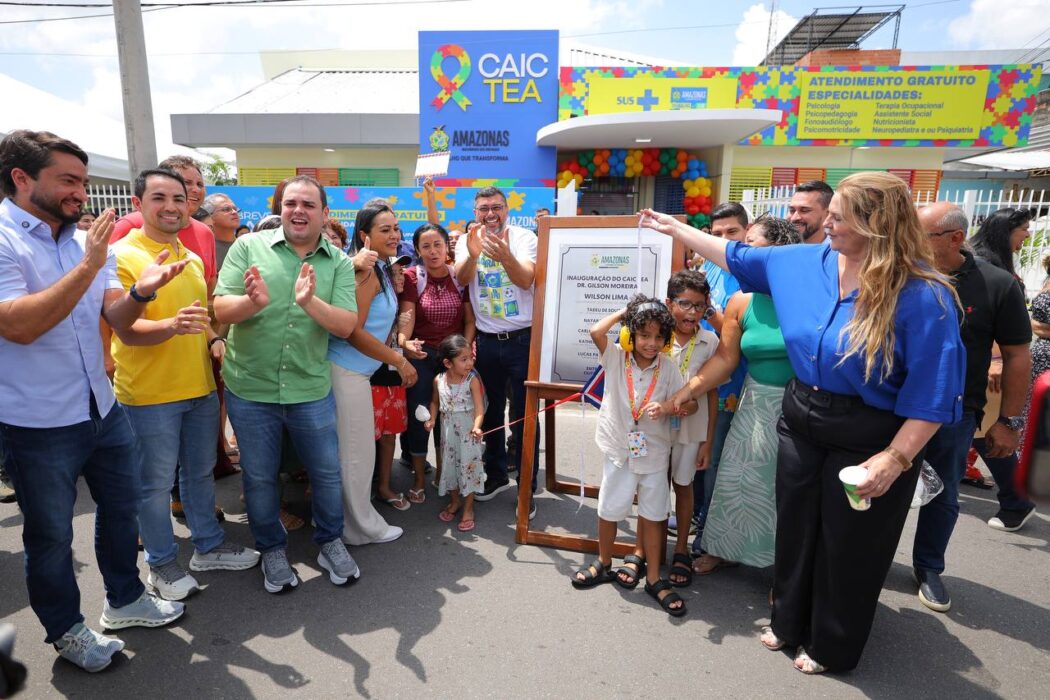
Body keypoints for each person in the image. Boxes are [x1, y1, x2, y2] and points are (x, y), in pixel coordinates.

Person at [643, 170, 965, 673]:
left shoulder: (924, 295)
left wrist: (895, 459)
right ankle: (788, 622)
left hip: (873, 433)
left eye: (838, 216)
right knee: (795, 528)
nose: (825, 224)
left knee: (850, 544)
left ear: (877, 224)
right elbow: (735, 255)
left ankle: (832, 644)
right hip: (802, 417)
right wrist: (674, 228)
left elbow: (932, 395)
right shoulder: (802, 263)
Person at [0, 130, 185, 671]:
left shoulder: (85, 241)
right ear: (21, 178)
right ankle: (66, 631)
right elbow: (21, 326)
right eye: (69, 181)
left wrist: (142, 291)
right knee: (52, 536)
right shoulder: (7, 239)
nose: (81, 192)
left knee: (122, 507)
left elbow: (117, 320)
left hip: (102, 408)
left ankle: (125, 599)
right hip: (36, 421)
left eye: (83, 181)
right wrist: (90, 265)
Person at [110, 169, 260, 600]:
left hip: (199, 388)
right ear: (138, 204)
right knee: (153, 486)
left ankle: (208, 547)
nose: (172, 205)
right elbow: (124, 328)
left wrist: (214, 340)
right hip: (149, 394)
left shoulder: (192, 258)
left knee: (198, 475)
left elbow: (203, 318)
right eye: (159, 197)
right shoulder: (120, 255)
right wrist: (171, 325)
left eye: (179, 197)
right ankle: (160, 565)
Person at [214, 174, 361, 594]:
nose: (298, 211)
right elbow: (221, 307)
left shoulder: (338, 263)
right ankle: (272, 550)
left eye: (308, 205)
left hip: (308, 388)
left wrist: (310, 303)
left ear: (325, 213)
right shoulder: (248, 247)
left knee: (326, 473)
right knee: (260, 477)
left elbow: (348, 325)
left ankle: (330, 542)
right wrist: (251, 303)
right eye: (291, 203)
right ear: (280, 209)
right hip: (251, 388)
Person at [910, 202, 1032, 612]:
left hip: (955, 413)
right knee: (879, 489)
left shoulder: (997, 284)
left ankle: (928, 567)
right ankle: (866, 565)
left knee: (942, 494)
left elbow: (1017, 354)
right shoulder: (900, 273)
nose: (909, 242)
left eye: (920, 235)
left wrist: (1008, 421)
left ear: (955, 238)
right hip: (890, 408)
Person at [670, 217, 800, 580]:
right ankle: (722, 549)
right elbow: (726, 359)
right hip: (755, 405)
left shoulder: (807, 295)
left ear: (776, 253)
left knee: (788, 492)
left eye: (748, 244)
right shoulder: (741, 302)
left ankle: (788, 575)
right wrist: (687, 390)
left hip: (801, 408)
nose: (737, 254)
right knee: (736, 483)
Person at [572, 296, 688, 616]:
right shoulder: (615, 356)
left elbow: (686, 403)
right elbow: (596, 331)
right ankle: (604, 562)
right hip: (619, 449)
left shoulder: (669, 367)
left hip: (653, 452)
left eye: (658, 337)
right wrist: (629, 311)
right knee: (609, 509)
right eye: (644, 335)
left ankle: (652, 579)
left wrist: (667, 407)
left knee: (653, 514)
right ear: (631, 334)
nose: (651, 343)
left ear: (665, 341)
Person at [619, 269, 718, 589]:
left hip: (691, 427)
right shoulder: (655, 336)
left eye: (700, 306)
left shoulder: (710, 341)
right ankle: (641, 549)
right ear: (668, 303)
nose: (692, 313)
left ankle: (680, 550)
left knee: (684, 485)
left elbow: (712, 392)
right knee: (649, 483)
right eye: (685, 304)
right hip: (653, 427)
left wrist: (708, 441)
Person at [328, 201, 415, 543]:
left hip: (358, 373)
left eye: (396, 228)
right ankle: (358, 528)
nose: (394, 235)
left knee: (357, 453)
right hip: (346, 371)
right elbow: (354, 331)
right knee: (355, 456)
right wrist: (399, 361)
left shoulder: (380, 268)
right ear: (364, 236)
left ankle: (356, 521)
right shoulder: (365, 272)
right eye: (385, 230)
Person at [455, 186, 539, 515]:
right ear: (475, 212)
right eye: (484, 209)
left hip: (522, 339)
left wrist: (503, 255)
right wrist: (474, 254)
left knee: (524, 416)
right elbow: (462, 279)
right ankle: (496, 474)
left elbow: (525, 280)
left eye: (497, 207)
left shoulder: (523, 238)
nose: (490, 214)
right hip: (487, 342)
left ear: (507, 209)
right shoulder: (467, 239)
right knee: (490, 413)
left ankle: (526, 488)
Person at [970, 207, 1038, 531]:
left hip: (987, 369)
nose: (1027, 235)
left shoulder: (998, 269)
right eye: (1024, 229)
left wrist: (997, 360)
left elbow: (1002, 327)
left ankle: (1016, 500)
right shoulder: (982, 264)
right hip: (981, 366)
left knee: (984, 434)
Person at [398, 223, 475, 495]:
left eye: (438, 245)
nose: (433, 252)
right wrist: (406, 344)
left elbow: (470, 320)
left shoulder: (460, 277)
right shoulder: (411, 277)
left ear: (447, 247)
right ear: (418, 250)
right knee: (421, 419)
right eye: (426, 247)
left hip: (452, 359)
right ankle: (418, 480)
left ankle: (444, 476)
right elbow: (406, 321)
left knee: (449, 420)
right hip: (422, 357)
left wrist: (464, 352)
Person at [692, 202, 750, 552]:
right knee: (694, 450)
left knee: (712, 456)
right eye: (718, 234)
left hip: (730, 381)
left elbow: (738, 335)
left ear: (747, 230)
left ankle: (708, 532)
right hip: (699, 372)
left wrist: (706, 309)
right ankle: (697, 513)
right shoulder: (711, 264)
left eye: (733, 232)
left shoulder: (751, 273)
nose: (726, 240)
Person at [424, 334, 486, 532]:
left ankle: (468, 508)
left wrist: (477, 426)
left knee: (468, 468)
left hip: (468, 434)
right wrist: (432, 419)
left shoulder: (472, 380)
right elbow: (434, 402)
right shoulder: (438, 380)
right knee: (449, 467)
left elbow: (479, 408)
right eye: (464, 359)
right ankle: (455, 501)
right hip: (448, 434)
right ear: (447, 363)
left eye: (471, 357)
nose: (470, 363)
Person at [202, 193, 239, 271]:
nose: (234, 212)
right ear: (210, 216)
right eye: (226, 209)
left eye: (235, 209)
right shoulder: (204, 249)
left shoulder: (246, 245)